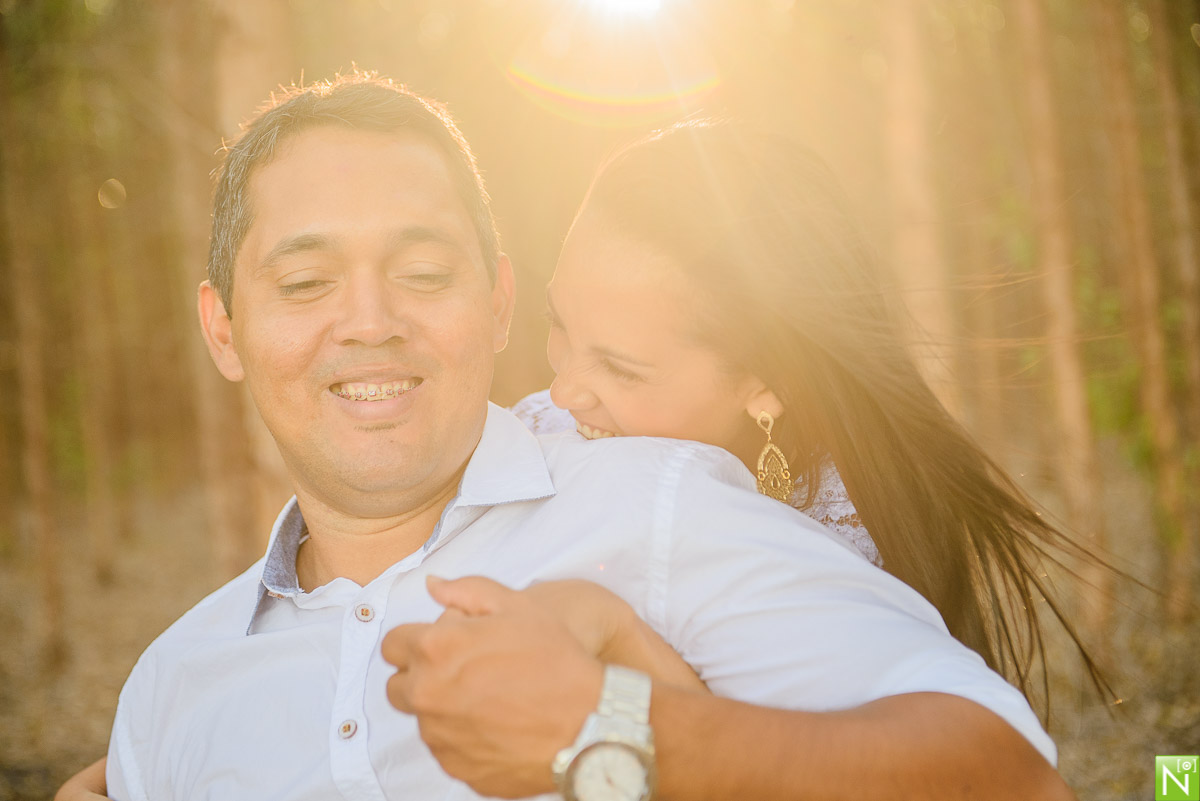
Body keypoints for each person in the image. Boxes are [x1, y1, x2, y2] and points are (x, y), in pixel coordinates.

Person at [62, 72, 1074, 801]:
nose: (369, 320)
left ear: (492, 302)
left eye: (421, 272)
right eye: (304, 282)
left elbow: (1013, 780)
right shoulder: (167, 686)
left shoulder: (662, 498)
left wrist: (611, 727)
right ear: (224, 329)